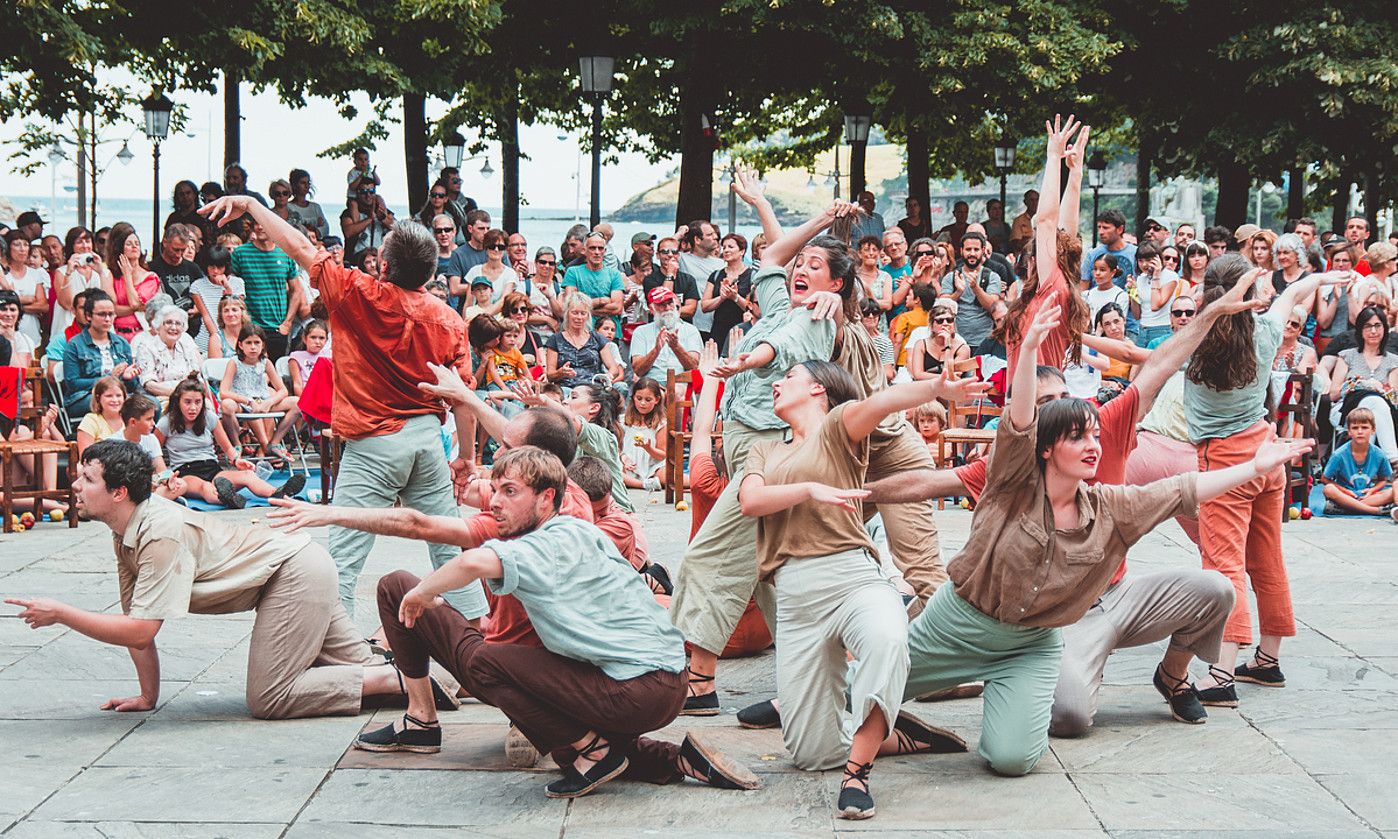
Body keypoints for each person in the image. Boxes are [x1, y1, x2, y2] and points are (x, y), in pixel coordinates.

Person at [891, 305, 1305, 774]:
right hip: (979, 621)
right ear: (1044, 442)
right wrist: (857, 492)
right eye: (1073, 431)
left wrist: (1254, 466)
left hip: (1093, 611)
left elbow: (1179, 485)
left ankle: (1171, 677)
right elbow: (958, 463)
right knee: (863, 692)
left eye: (1090, 429)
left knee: (1216, 588)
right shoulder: (1007, 474)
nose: (1093, 444)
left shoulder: (1108, 497)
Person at [311, 446, 758, 799]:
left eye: (510, 492)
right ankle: (675, 759)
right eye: (495, 491)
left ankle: (593, 750)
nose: (497, 502)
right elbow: (422, 521)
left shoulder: (544, 542)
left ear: (546, 498)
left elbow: (470, 564)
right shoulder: (574, 520)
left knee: (488, 662)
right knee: (396, 586)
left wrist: (424, 591)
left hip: (638, 690)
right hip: (651, 681)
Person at [202, 195, 482, 622]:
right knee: (450, 548)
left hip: (374, 444)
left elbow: (298, 247)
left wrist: (253, 207)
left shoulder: (357, 291)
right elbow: (463, 400)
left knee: (343, 558)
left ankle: (344, 653)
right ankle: (477, 643)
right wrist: (466, 458)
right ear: (430, 271)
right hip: (426, 439)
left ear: (383, 265)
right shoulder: (448, 319)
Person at [4, 439, 416, 719]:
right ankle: (451, 672)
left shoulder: (158, 532)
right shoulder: (125, 530)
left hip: (294, 574)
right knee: (392, 677)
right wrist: (148, 698)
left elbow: (141, 628)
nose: (74, 484)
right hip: (298, 565)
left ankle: (388, 675)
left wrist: (62, 613)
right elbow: (138, 627)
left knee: (271, 696)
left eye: (87, 479)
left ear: (118, 493)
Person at [739, 361, 981, 819]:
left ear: (817, 389)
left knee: (888, 639)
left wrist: (935, 387)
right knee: (810, 754)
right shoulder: (764, 450)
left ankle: (858, 772)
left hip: (851, 575)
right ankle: (896, 733)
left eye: (787, 376)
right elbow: (751, 501)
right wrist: (811, 488)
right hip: (795, 595)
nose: (776, 382)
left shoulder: (838, 427)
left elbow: (882, 401)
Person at [1186, 255, 1352, 707]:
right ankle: (1267, 658)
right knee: (1267, 559)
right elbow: (1295, 293)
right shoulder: (1266, 332)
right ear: (1248, 288)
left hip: (1225, 464)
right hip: (1268, 454)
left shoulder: (1194, 338)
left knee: (1224, 566)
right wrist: (1321, 277)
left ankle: (1221, 673)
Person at [1327, 305, 1398, 463]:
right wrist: (1360, 385)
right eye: (1368, 326)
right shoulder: (1347, 356)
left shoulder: (1393, 361)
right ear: (1359, 329)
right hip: (1346, 408)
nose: (1373, 331)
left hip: (1383, 411)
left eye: (1377, 326)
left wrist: (1378, 389)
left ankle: (1362, 464)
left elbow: (1394, 398)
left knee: (1374, 403)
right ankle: (1393, 458)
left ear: (1385, 328)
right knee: (1371, 401)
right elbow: (1333, 394)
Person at [217, 324, 299, 461]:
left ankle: (274, 443)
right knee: (226, 405)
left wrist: (269, 402)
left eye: (257, 343)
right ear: (241, 345)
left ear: (263, 345)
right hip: (242, 403)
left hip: (263, 401)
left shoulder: (265, 363)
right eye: (248, 343)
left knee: (297, 402)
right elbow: (223, 392)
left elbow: (283, 390)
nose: (253, 347)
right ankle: (237, 444)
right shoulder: (234, 362)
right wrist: (247, 401)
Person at [230, 219, 301, 361]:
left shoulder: (285, 253)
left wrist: (287, 323)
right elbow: (232, 287)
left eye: (264, 223)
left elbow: (296, 290)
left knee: (275, 377)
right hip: (250, 328)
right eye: (256, 223)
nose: (260, 227)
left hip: (277, 328)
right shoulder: (240, 253)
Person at [63, 291, 139, 418]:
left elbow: (132, 386)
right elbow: (72, 384)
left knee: (153, 404)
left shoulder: (121, 343)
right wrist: (108, 378)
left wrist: (127, 378)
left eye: (111, 314)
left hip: (118, 396)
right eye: (102, 314)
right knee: (113, 403)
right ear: (88, 316)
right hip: (86, 396)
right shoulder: (75, 345)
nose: (108, 319)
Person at [1321, 408, 1393, 515]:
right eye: (1355, 428)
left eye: (1364, 428)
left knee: (1393, 491)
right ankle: (1375, 511)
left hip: (1367, 496)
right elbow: (1324, 479)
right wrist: (1345, 491)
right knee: (1328, 489)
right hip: (1345, 495)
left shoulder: (1379, 455)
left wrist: (1372, 490)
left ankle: (1347, 508)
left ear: (1373, 430)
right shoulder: (1339, 455)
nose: (1360, 432)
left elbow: (1383, 480)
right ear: (1349, 431)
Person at [939, 232, 1002, 352]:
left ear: (983, 250)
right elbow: (941, 308)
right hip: (955, 342)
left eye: (976, 249)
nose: (972, 253)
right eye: (968, 249)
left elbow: (993, 307)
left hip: (984, 342)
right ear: (961, 250)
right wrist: (958, 292)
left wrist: (976, 288)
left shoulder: (992, 277)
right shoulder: (951, 277)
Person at [545, 293, 621, 389]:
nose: (579, 317)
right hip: (567, 387)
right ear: (567, 313)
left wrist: (608, 376)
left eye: (583, 313)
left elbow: (614, 368)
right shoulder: (555, 339)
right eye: (575, 313)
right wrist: (560, 373)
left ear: (588, 315)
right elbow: (550, 375)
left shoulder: (597, 338)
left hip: (593, 387)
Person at [52, 227, 112, 340]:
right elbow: (66, 303)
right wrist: (69, 273)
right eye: (79, 242)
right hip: (68, 326)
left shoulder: (104, 271)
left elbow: (110, 300)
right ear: (72, 246)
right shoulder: (62, 272)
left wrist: (100, 272)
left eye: (88, 241)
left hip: (98, 329)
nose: (85, 245)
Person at [133, 305, 203, 402]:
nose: (173, 327)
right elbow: (149, 385)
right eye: (168, 322)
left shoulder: (186, 344)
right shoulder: (146, 347)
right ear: (158, 326)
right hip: (161, 398)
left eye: (178, 323)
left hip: (191, 398)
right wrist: (180, 394)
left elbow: (198, 377)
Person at [701, 233, 755, 355]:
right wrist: (722, 298)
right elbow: (704, 306)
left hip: (742, 328)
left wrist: (735, 297)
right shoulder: (715, 275)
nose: (726, 250)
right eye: (724, 247)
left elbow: (753, 307)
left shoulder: (752, 275)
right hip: (718, 330)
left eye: (730, 247)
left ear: (742, 251)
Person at [629, 286, 701, 378]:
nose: (667, 308)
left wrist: (676, 347)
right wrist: (656, 350)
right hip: (652, 383)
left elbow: (694, 367)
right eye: (661, 304)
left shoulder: (690, 330)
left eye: (670, 303)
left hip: (682, 382)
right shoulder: (641, 332)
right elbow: (638, 370)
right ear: (651, 309)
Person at [190, 246, 244, 350]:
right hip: (206, 340)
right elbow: (206, 316)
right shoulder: (197, 286)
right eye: (211, 267)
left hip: (233, 339)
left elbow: (237, 310)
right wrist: (217, 339)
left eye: (219, 267)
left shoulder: (237, 283)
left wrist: (227, 287)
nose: (215, 271)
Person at [0, 232, 48, 348]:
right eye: (17, 244)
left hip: (32, 335)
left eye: (26, 245)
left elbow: (43, 306)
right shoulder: (3, 274)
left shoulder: (35, 274)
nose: (22, 249)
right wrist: (26, 300)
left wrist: (17, 305)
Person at [678, 220, 724, 338]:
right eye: (709, 235)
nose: (715, 237)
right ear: (697, 240)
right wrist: (679, 234)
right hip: (691, 322)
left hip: (716, 323)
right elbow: (667, 248)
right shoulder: (683, 259)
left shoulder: (722, 264)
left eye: (714, 234)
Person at [619, 377, 667, 492]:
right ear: (633, 398)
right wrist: (624, 458)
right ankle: (643, 484)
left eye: (648, 399)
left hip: (653, 467)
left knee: (667, 476)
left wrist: (649, 448)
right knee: (613, 472)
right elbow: (616, 448)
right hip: (628, 465)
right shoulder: (623, 421)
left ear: (656, 400)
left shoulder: (661, 424)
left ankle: (702, 483)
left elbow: (662, 454)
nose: (642, 403)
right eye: (639, 398)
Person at [907, 299, 969, 381]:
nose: (945, 323)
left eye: (949, 320)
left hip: (950, 390)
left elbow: (948, 375)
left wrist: (947, 346)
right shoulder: (921, 344)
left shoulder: (963, 348)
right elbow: (918, 375)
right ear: (932, 326)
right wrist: (944, 377)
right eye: (940, 321)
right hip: (925, 387)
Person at [462, 229, 518, 317]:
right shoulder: (474, 271)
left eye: (501, 247)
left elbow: (503, 301)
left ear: (505, 250)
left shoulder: (510, 273)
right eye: (492, 246)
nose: (496, 250)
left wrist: (482, 318)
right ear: (486, 248)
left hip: (499, 322)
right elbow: (469, 303)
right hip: (475, 322)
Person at [644, 236, 701, 321]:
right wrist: (670, 274)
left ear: (678, 255)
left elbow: (690, 310)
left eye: (674, 252)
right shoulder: (650, 280)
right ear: (658, 255)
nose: (670, 255)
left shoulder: (688, 279)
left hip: (683, 328)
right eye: (665, 252)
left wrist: (666, 311)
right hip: (658, 327)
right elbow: (662, 299)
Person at [446, 210, 493, 303]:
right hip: (467, 307)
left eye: (488, 228)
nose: (486, 232)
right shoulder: (458, 254)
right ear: (470, 229)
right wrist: (483, 286)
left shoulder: (496, 251)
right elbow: (454, 289)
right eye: (481, 228)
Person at [76, 376, 128, 455]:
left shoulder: (131, 419)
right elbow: (84, 457)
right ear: (98, 398)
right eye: (109, 396)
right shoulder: (90, 421)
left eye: (118, 395)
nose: (115, 400)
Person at [284, 169, 329, 240]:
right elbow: (292, 228)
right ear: (295, 185)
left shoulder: (315, 207)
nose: (306, 186)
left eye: (308, 183)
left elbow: (325, 228)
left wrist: (312, 230)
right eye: (303, 183)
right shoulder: (288, 207)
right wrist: (314, 223)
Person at [1272, 307, 1318, 374]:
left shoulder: (1308, 352)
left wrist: (1292, 366)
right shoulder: (1268, 346)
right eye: (1285, 321)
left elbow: (1305, 379)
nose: (1288, 326)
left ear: (1300, 329)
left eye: (1294, 324)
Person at [1009, 189, 1039, 254]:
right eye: (1031, 200)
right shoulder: (1018, 221)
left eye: (1037, 200)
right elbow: (1016, 243)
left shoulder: (1044, 220)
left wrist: (1026, 239)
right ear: (1025, 202)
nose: (1034, 203)